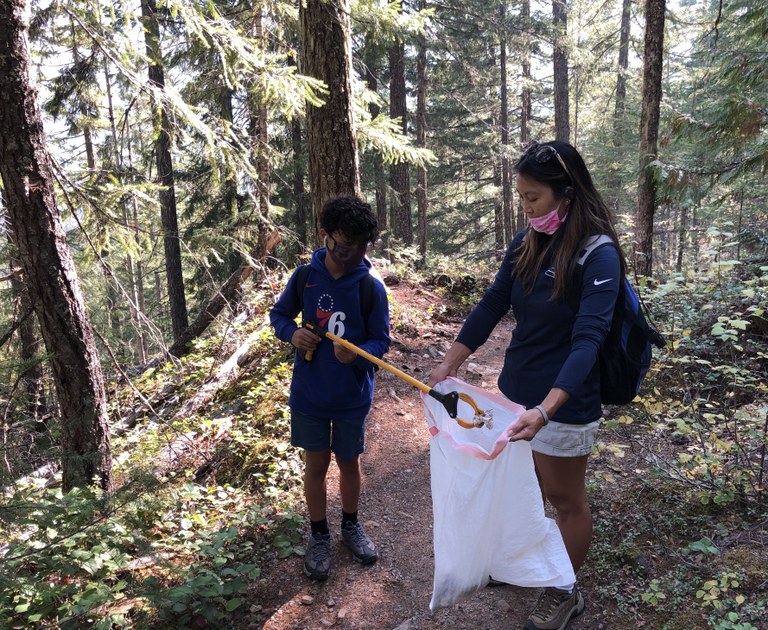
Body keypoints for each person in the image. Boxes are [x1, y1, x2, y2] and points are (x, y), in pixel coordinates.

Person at [429, 141, 623, 630]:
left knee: (564, 498)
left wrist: (547, 409)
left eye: (533, 197)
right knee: (522, 484)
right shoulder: (526, 241)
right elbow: (493, 303)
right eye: (521, 196)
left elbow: (588, 340)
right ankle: (522, 562)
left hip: (563, 402)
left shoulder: (598, 254)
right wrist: (449, 363)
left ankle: (564, 589)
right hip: (515, 395)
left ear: (566, 192)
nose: (526, 207)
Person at [270, 195, 391, 581]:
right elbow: (279, 315)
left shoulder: (370, 287)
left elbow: (381, 341)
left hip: (352, 396)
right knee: (316, 464)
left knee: (349, 462)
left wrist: (356, 355)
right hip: (310, 394)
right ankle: (319, 535)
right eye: (343, 244)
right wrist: (293, 335)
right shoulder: (305, 277)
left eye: (360, 246)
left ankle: (351, 525)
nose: (351, 253)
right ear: (325, 235)